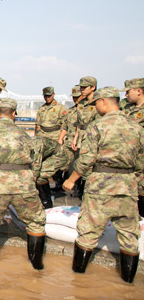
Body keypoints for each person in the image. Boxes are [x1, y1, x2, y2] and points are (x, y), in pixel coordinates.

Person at [62, 87, 144, 283]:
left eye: (96, 104)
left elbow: (87, 159)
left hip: (101, 186)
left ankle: (78, 282)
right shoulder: (137, 128)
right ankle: (128, 285)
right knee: (128, 237)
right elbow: (141, 163)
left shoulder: (97, 126)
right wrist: (136, 184)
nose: (95, 108)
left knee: (88, 233)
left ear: (104, 101)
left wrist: (71, 179)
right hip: (127, 187)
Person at [0, 98, 46, 270]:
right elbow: (35, 158)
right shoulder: (23, 133)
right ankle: (37, 267)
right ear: (13, 114)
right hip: (23, 183)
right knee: (35, 222)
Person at [71, 76, 99, 199]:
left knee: (90, 166)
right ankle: (81, 191)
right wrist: (75, 138)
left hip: (92, 136)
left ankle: (89, 194)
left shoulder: (98, 102)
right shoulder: (81, 103)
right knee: (80, 163)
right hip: (82, 136)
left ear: (93, 87)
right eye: (81, 87)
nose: (81, 89)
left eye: (84, 87)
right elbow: (79, 123)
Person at [120, 78, 144, 217]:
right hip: (130, 156)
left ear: (139, 91)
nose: (126, 95)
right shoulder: (128, 108)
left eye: (128, 92)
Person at [55, 87, 82, 191]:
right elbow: (64, 126)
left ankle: (77, 188)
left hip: (81, 142)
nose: (75, 99)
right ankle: (60, 184)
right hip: (69, 141)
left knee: (79, 165)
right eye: (74, 97)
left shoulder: (85, 111)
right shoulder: (70, 111)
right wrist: (60, 139)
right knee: (63, 162)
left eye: (77, 97)